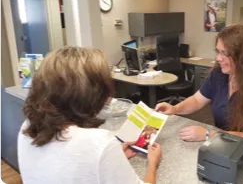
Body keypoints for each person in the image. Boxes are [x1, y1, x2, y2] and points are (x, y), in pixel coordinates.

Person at [18, 47, 162, 184]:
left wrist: (110, 161)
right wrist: (152, 164)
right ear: (94, 95)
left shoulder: (28, 126)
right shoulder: (99, 142)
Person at [156, 25, 243, 149]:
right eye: (218, 51)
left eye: (224, 53)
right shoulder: (219, 74)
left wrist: (208, 134)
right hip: (223, 144)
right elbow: (197, 100)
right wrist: (174, 109)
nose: (218, 58)